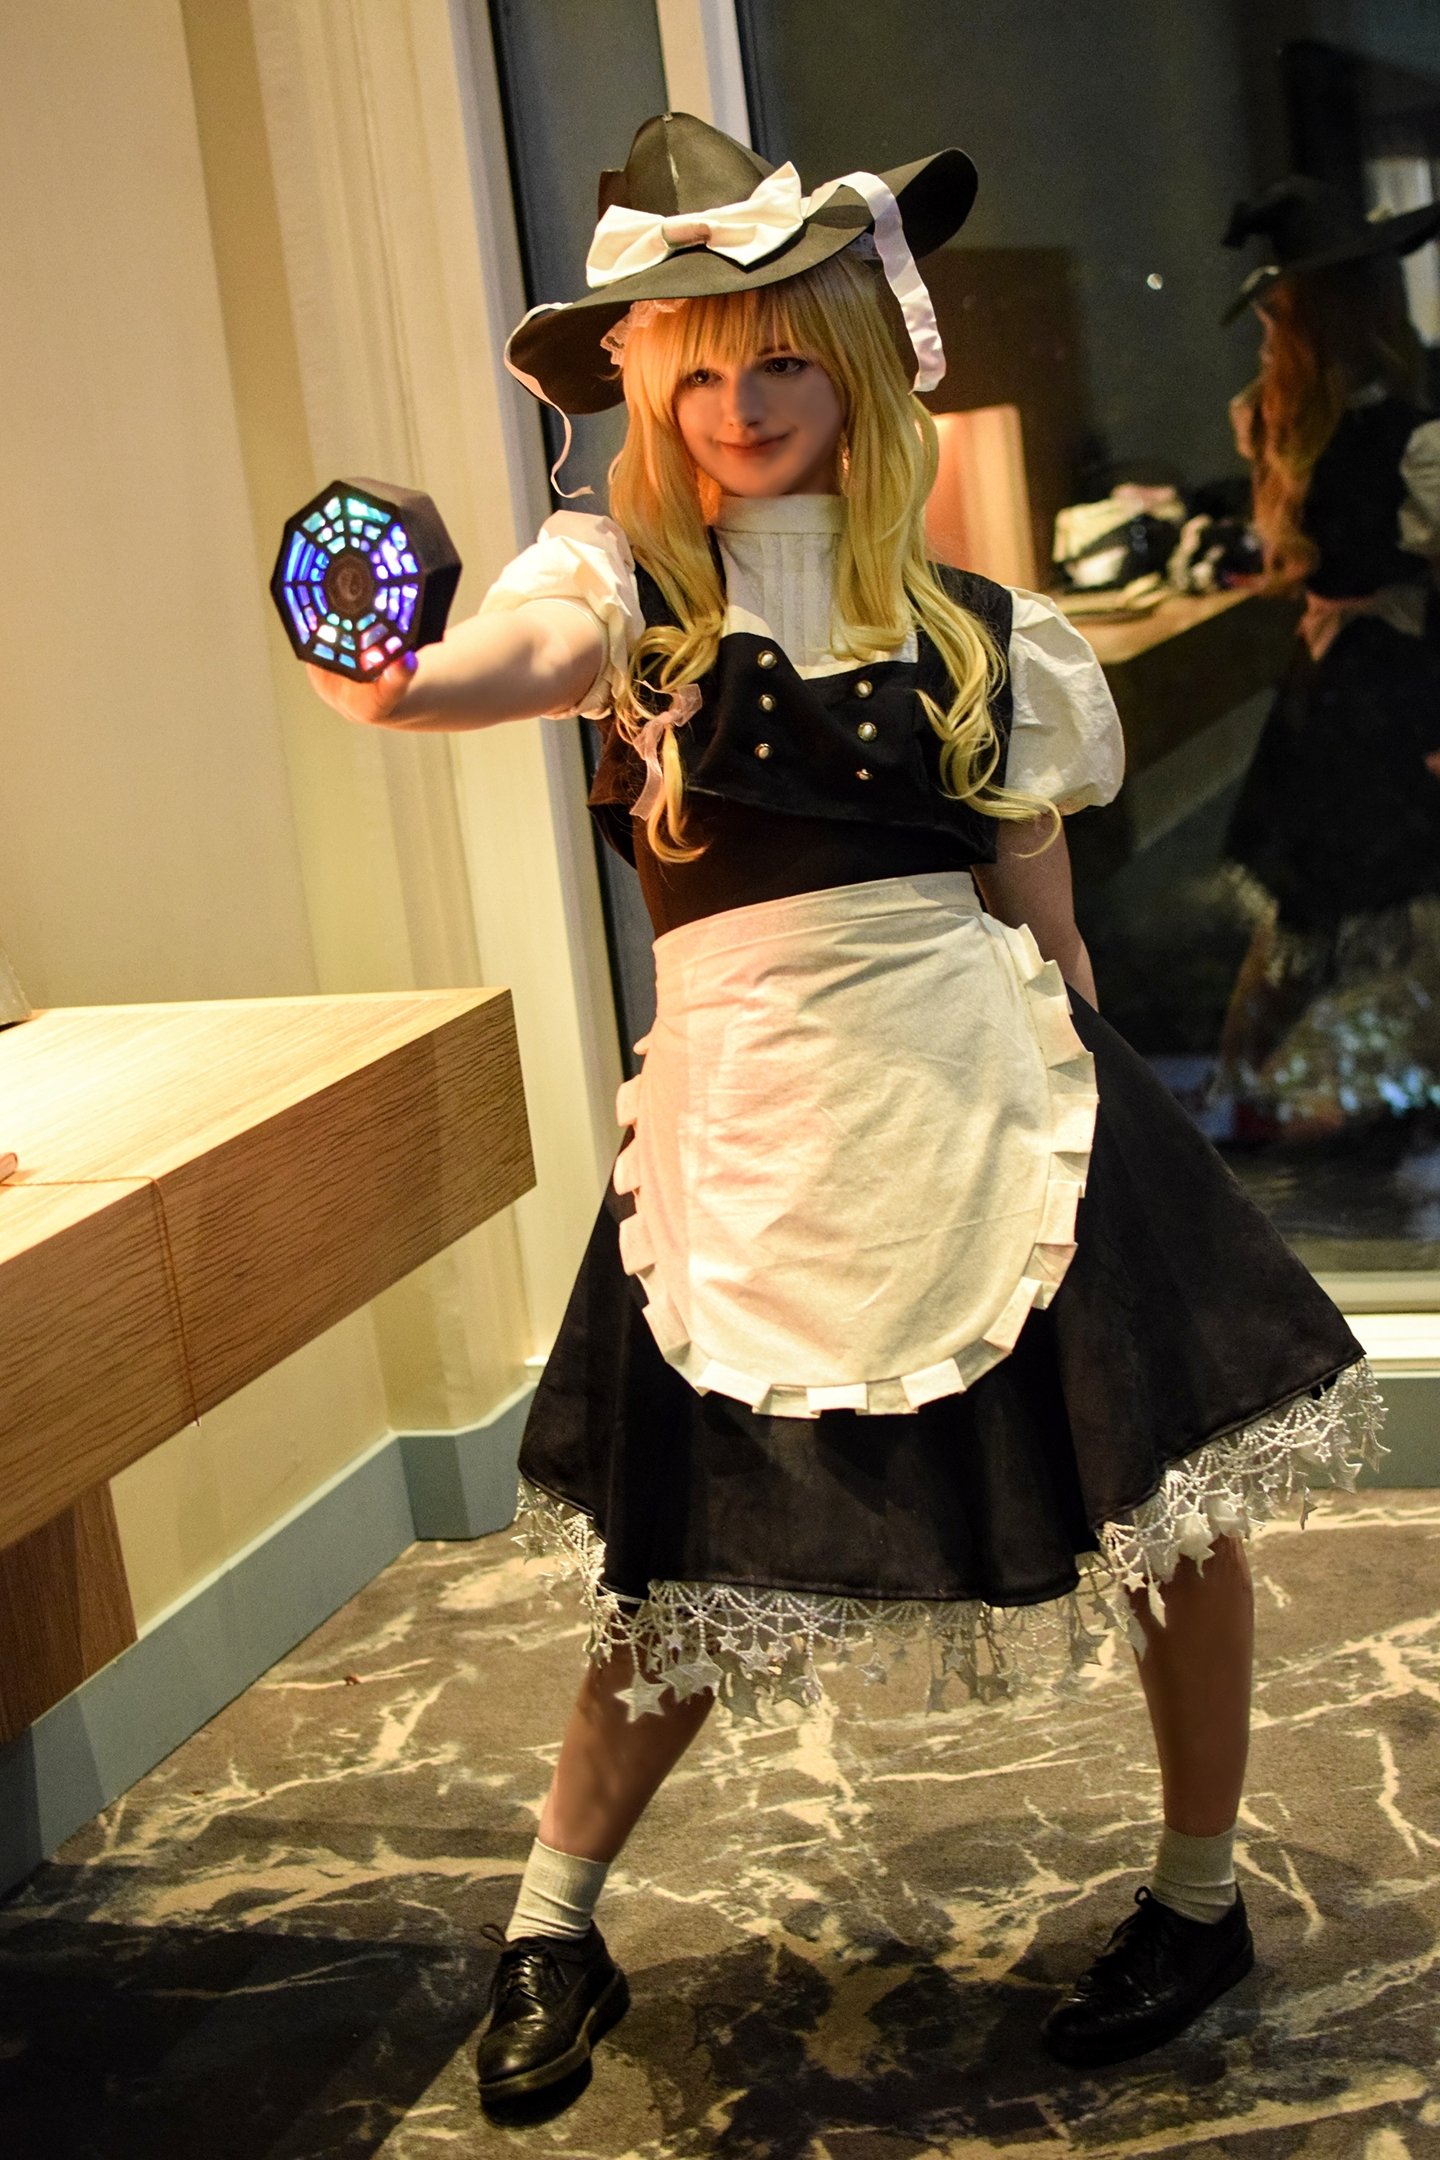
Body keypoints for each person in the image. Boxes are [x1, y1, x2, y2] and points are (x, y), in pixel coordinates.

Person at [306, 117, 1382, 2105]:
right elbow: (512, 657)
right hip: (749, 1121)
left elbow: (1039, 907)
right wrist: (396, 684)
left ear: (865, 360)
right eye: (698, 372)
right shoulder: (617, 587)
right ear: (645, 386)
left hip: (989, 1092)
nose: (740, 407)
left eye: (782, 358)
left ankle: (1201, 1891)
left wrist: (1094, 1121)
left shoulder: (979, 627)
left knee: (1167, 1516)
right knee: (680, 1553)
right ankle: (552, 1921)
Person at [1215, 177, 1440, 1140]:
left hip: (1344, 688)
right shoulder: (1398, 439)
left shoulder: (1288, 422)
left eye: (1277, 319)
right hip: (1380, 692)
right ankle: (1288, 1098)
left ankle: (1245, 1091)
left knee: (1321, 907)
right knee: (1372, 902)